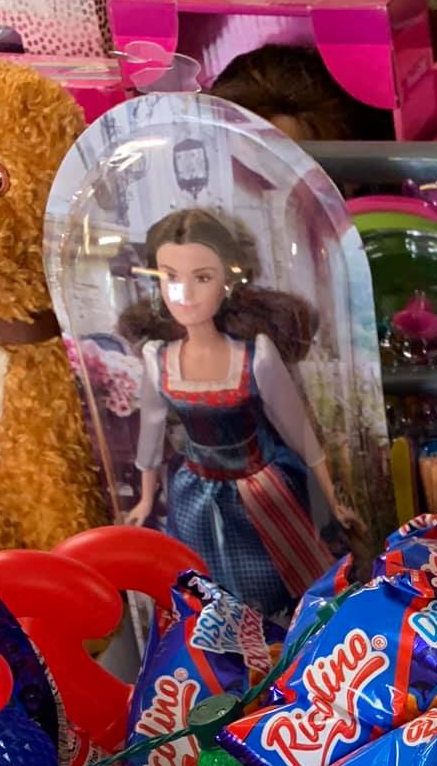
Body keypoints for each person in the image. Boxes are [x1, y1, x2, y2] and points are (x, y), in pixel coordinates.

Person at [121, 206, 357, 616]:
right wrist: (145, 499)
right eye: (170, 277)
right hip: (195, 495)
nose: (185, 294)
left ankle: (290, 637)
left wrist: (332, 499)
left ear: (228, 282)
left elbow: (298, 431)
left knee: (279, 579)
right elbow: (150, 440)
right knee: (204, 583)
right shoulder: (158, 360)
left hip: (262, 489)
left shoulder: (254, 357)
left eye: (202, 278)